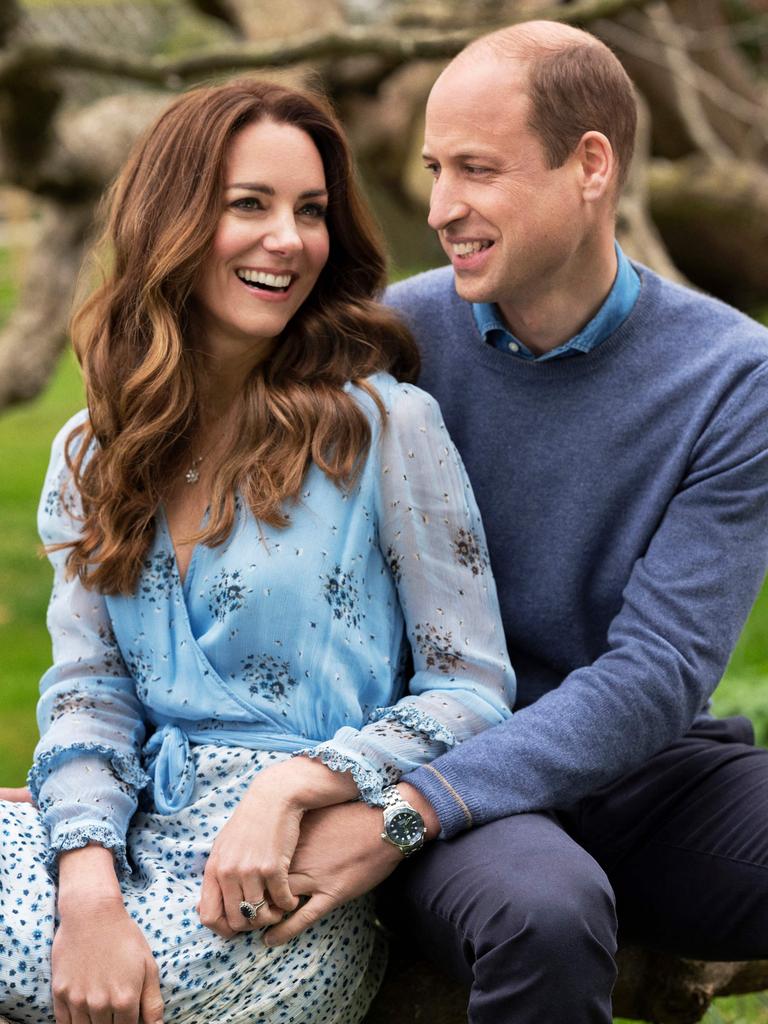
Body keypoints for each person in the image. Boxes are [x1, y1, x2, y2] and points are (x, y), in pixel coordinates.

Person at [250, 19, 768, 1024]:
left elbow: (661, 671)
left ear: (590, 166)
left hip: (635, 767)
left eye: (477, 170)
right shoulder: (390, 345)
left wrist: (404, 815)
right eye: (436, 169)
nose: (442, 207)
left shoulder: (731, 379)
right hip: (432, 753)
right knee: (546, 914)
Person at [0, 78, 516, 1024]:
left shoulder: (386, 428)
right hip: (120, 835)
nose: (290, 238)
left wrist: (297, 784)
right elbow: (87, 693)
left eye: (311, 211)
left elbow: (472, 684)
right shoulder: (93, 449)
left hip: (291, 880)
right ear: (173, 222)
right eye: (251, 204)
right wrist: (87, 891)